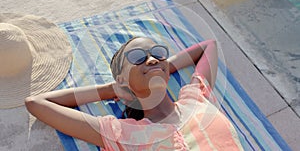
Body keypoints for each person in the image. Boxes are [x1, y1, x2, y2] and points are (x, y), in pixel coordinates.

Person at [25, 37, 243, 150]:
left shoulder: (195, 97)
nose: (152, 58)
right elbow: (36, 103)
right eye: (138, 57)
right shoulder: (121, 134)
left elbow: (208, 46)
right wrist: (110, 90)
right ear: (121, 79)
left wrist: (161, 67)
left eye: (158, 53)